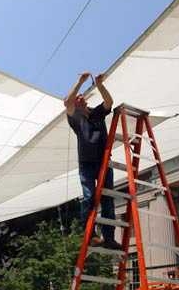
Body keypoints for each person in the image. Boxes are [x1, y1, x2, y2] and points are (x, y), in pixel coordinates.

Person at [64, 72, 122, 250]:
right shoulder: (75, 118)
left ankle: (109, 237)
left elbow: (109, 102)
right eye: (77, 98)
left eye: (81, 96)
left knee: (107, 199)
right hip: (87, 164)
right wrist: (80, 82)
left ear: (85, 102)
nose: (78, 98)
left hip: (103, 162)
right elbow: (67, 102)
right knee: (89, 197)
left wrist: (99, 85)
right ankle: (90, 235)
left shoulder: (96, 114)